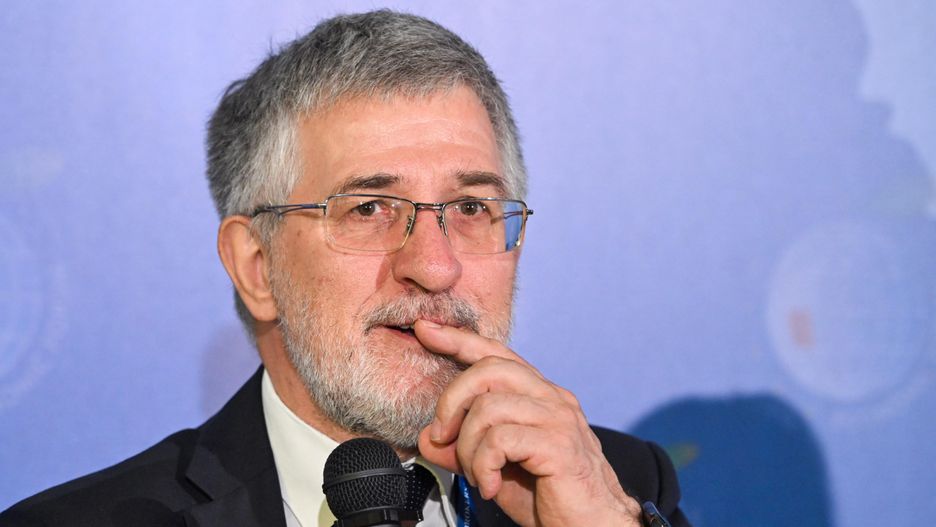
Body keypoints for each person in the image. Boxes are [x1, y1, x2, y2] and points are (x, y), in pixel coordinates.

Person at [1, 10, 688, 527]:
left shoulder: (620, 487)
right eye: (369, 208)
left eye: (470, 207)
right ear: (258, 266)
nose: (435, 266)